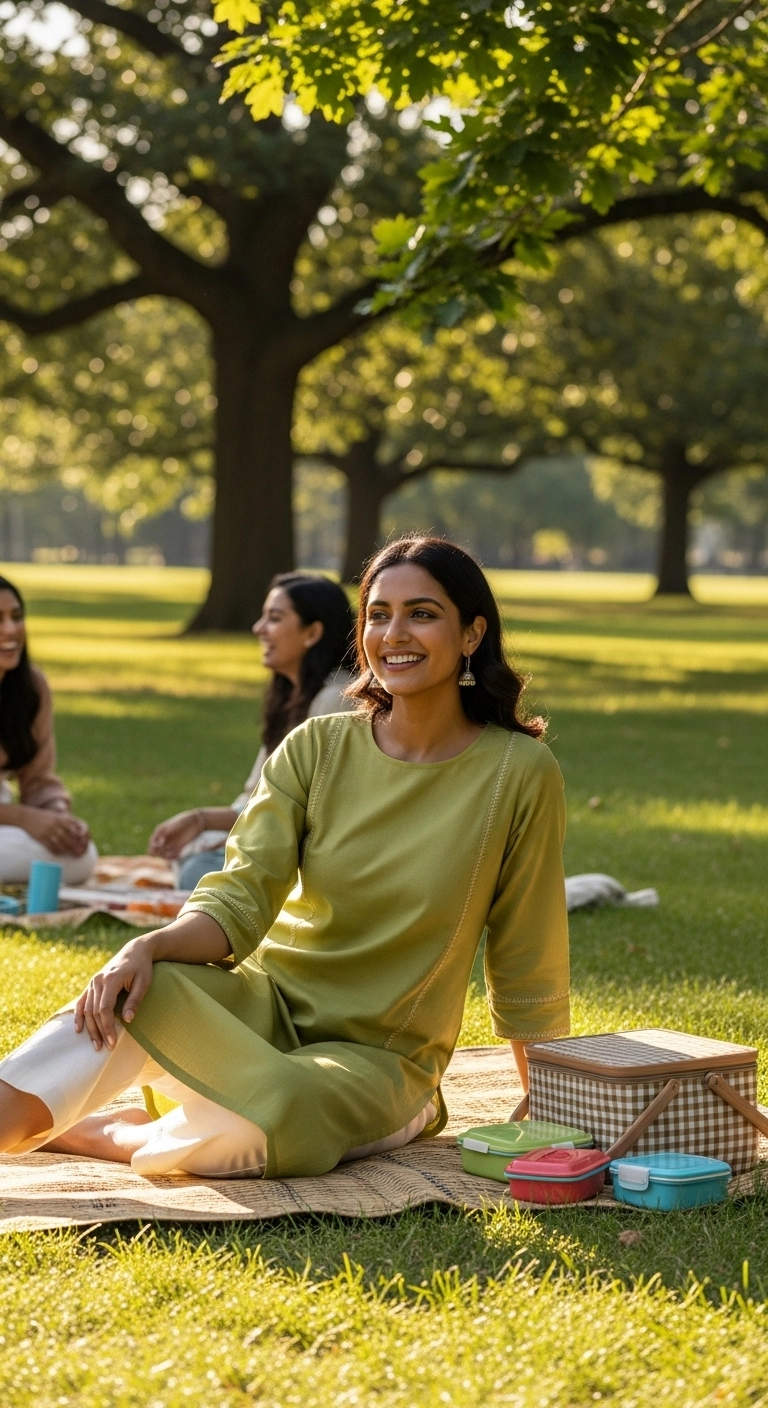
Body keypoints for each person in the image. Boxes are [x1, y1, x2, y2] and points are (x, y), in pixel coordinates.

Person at [0, 536, 570, 1180]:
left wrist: (546, 1099)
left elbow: (527, 954)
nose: (394, 633)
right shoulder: (316, 747)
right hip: (258, 1013)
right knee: (132, 991)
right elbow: (239, 897)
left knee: (288, 1108)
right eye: (378, 614)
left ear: (472, 633)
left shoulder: (518, 772)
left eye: (423, 613)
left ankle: (115, 1136)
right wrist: (149, 947)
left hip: (381, 1063)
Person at [148, 573, 355, 889]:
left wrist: (211, 826)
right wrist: (204, 825)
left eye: (274, 618)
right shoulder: (292, 696)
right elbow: (254, 797)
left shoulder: (334, 703)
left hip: (313, 857)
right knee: (194, 855)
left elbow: (309, 814)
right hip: (273, 840)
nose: (258, 629)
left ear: (312, 632)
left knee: (198, 871)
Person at [0, 575, 96, 885]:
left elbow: (39, 780)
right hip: (8, 819)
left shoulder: (31, 690)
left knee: (79, 857)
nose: (11, 630)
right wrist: (25, 819)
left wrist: (57, 818)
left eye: (16, 617)